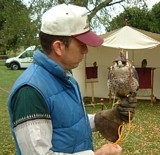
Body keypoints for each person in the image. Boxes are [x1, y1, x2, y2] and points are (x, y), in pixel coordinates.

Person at [7, 3, 137, 155]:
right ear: (58, 47)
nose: (86, 50)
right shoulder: (30, 92)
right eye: (81, 44)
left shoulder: (66, 77)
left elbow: (67, 123)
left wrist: (100, 119)